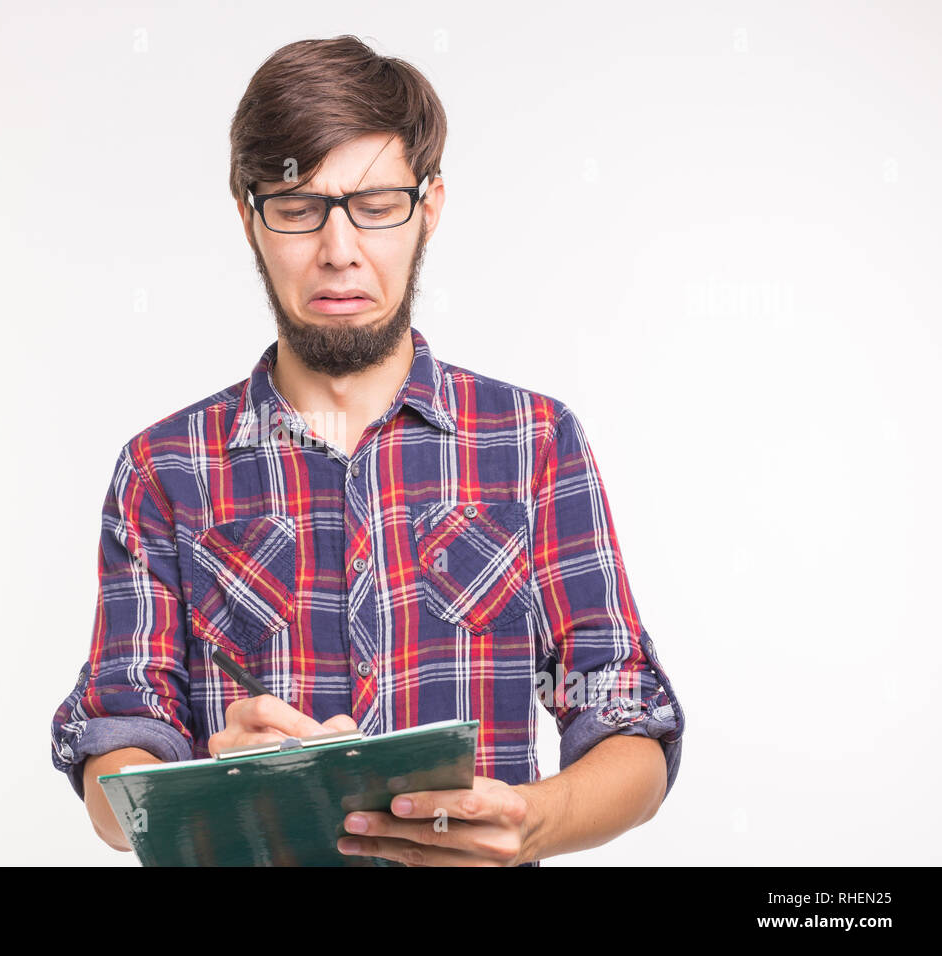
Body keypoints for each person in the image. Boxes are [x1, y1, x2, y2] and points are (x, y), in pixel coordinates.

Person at [50, 35, 684, 867]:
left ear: (430, 205)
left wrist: (535, 818)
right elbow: (114, 750)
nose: (339, 249)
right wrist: (205, 775)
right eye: (297, 205)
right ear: (249, 215)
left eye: (376, 203)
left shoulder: (534, 444)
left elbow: (627, 721)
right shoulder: (165, 470)